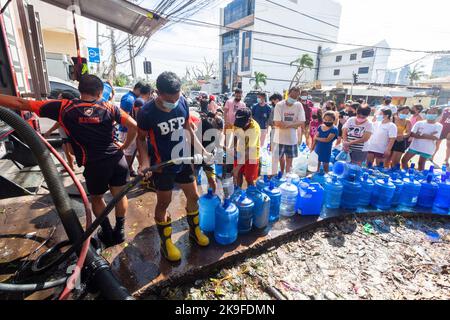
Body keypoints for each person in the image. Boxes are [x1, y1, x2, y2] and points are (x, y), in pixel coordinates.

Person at [0, 75, 138, 247]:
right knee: (119, 196)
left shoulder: (63, 107)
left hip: (95, 164)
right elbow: (133, 125)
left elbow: (21, 103)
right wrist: (124, 147)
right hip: (117, 160)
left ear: (80, 91)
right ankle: (120, 231)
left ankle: (107, 231)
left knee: (97, 198)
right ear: (100, 92)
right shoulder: (109, 107)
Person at [136, 71, 212, 263]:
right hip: (162, 166)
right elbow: (141, 139)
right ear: (158, 93)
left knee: (194, 197)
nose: (174, 103)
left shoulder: (183, 102)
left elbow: (188, 129)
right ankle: (166, 243)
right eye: (169, 99)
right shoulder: (146, 112)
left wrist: (203, 151)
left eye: (177, 98)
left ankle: (195, 232)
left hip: (184, 159)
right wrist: (144, 163)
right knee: (164, 203)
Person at [272, 87, 306, 174]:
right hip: (279, 139)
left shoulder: (299, 105)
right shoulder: (279, 105)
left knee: (289, 161)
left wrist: (288, 125)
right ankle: (281, 172)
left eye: (296, 97)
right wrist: (294, 125)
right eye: (292, 95)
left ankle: (287, 177)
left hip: (292, 139)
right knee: (280, 159)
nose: (293, 98)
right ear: (288, 94)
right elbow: (277, 123)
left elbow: (302, 121)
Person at [401, 107, 443, 171]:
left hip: (427, 148)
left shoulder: (438, 125)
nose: (431, 114)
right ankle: (406, 174)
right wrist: (428, 135)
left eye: (434, 113)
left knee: (421, 163)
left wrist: (420, 135)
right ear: (426, 113)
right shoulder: (419, 123)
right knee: (404, 160)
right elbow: (412, 134)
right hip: (415, 146)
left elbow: (435, 138)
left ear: (438, 115)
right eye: (429, 113)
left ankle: (420, 177)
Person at [43, 91, 76, 171]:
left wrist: (49, 131)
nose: (57, 98)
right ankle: (71, 167)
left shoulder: (64, 108)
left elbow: (59, 123)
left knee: (70, 151)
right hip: (65, 133)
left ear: (65, 99)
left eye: (59, 97)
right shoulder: (64, 107)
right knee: (66, 149)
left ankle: (73, 166)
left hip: (66, 133)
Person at [193, 112, 224, 193]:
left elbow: (218, 143)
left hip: (209, 158)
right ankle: (195, 199)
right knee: (193, 178)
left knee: (212, 180)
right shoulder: (200, 130)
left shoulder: (216, 132)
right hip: (197, 156)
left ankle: (214, 195)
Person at [118, 81, 145, 176]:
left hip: (135, 130)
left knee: (137, 151)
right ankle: (127, 170)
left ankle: (138, 169)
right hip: (128, 131)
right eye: (142, 92)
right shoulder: (128, 99)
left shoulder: (134, 98)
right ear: (138, 89)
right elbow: (124, 117)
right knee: (129, 152)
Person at [232, 108, 260, 187]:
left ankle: (251, 194)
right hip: (239, 152)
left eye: (242, 124)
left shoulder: (254, 129)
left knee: (249, 179)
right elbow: (235, 135)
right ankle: (237, 192)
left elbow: (249, 151)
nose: (240, 126)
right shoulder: (238, 123)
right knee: (237, 175)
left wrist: (237, 168)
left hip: (252, 155)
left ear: (249, 120)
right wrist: (233, 147)